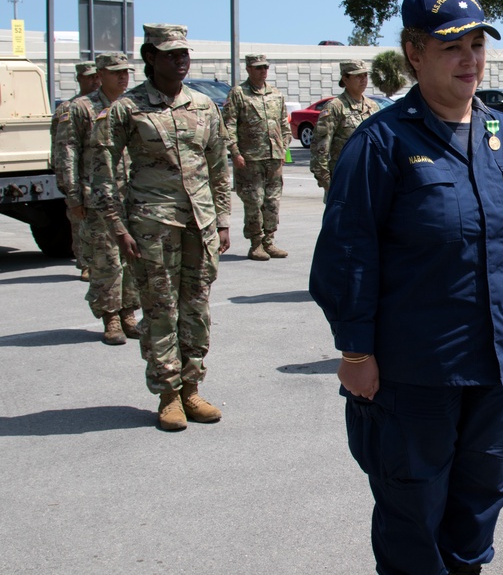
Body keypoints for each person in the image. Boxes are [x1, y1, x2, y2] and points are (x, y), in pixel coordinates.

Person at [310, 0, 503, 575]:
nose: (469, 59)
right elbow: (347, 253)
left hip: (497, 366)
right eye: (452, 46)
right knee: (412, 509)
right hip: (416, 373)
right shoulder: (382, 142)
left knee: (482, 499)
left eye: (477, 43)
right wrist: (355, 350)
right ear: (414, 52)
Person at [91, 24, 231, 432]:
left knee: (196, 309)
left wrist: (222, 220)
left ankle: (191, 388)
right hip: (152, 223)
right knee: (159, 309)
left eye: (184, 52)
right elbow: (101, 170)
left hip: (199, 223)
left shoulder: (204, 106)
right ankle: (168, 394)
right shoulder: (127, 109)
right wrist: (116, 226)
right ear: (150, 57)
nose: (180, 60)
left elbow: (219, 167)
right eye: (170, 54)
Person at [54, 52, 141, 345]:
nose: (123, 77)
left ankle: (129, 312)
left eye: (126, 72)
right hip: (98, 197)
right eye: (116, 72)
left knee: (133, 258)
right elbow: (67, 153)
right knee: (105, 260)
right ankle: (111, 318)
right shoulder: (79, 108)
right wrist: (73, 195)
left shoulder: (132, 106)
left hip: (132, 195)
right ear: (100, 75)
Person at [223, 54, 292, 260]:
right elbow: (229, 125)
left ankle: (269, 242)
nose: (263, 71)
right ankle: (256, 244)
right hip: (250, 159)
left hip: (273, 158)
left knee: (272, 202)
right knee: (254, 202)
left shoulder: (276, 94)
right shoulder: (239, 94)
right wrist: (234, 152)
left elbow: (283, 125)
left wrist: (283, 149)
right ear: (248, 70)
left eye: (265, 67)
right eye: (258, 68)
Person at [52, 61, 101, 281]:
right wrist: (64, 177)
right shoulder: (69, 108)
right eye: (89, 77)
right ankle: (85, 263)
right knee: (80, 220)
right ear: (79, 79)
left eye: (97, 76)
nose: (94, 80)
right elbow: (62, 145)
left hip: (105, 175)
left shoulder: (108, 105)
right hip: (82, 174)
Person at [308, 59, 380, 197]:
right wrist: (329, 184)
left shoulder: (372, 106)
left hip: (369, 179)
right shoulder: (335, 107)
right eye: (358, 76)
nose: (363, 80)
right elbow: (320, 149)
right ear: (345, 79)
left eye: (365, 75)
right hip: (343, 180)